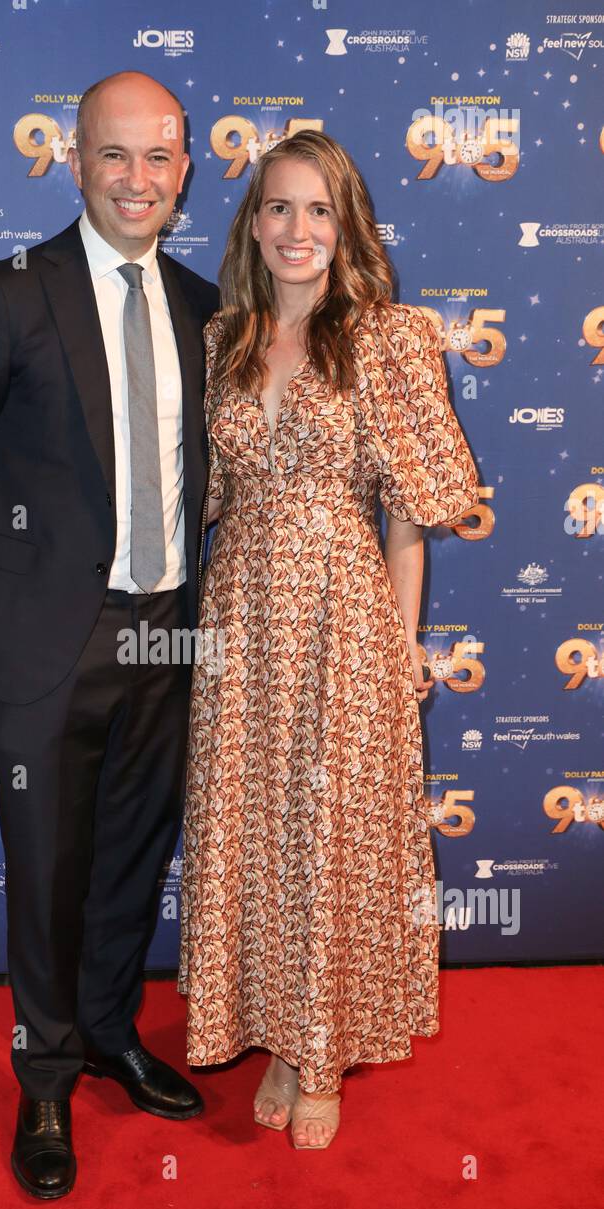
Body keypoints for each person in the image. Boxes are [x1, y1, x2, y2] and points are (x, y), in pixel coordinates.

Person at [0, 70, 219, 1200]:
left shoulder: (200, 304)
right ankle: (41, 1075)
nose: (138, 178)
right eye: (115, 155)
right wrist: (19, 586)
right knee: (46, 870)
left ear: (185, 169)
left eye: (160, 156)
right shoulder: (4, 294)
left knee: (132, 853)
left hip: (168, 640)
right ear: (73, 161)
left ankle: (106, 1030)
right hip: (50, 645)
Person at [178, 130, 479, 1150]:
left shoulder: (389, 338)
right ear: (250, 223)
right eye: (276, 208)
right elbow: (198, 500)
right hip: (237, 618)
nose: (294, 229)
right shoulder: (221, 335)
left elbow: (406, 523)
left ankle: (320, 1055)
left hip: (341, 615)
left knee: (327, 838)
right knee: (251, 832)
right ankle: (274, 1032)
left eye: (316, 210)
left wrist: (398, 653)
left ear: (344, 224)